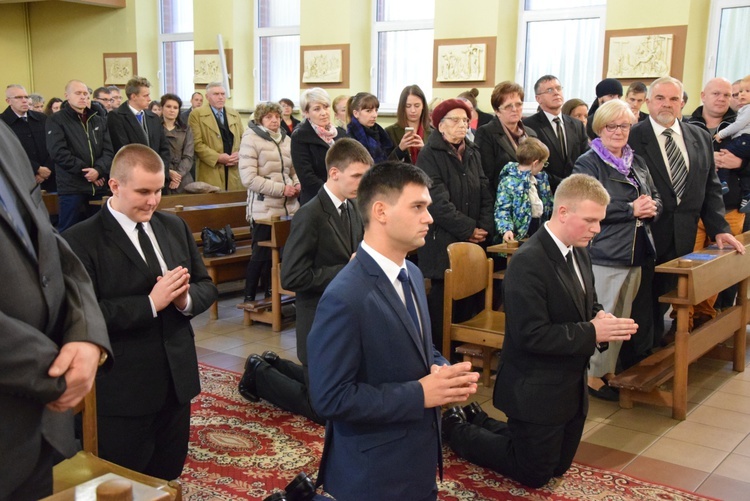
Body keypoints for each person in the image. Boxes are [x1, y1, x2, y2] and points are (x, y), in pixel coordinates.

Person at [443, 174, 638, 488]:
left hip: (568, 384)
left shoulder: (579, 250)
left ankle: (479, 419)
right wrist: (592, 332)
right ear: (563, 212)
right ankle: (455, 428)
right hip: (535, 386)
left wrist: (601, 317)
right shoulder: (528, 261)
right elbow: (531, 335)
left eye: (599, 221)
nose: (597, 229)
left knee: (556, 467)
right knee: (534, 473)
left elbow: (586, 302)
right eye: (590, 220)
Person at [307, 160, 480, 501]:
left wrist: (442, 372)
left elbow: (420, 347)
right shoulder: (345, 296)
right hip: (372, 474)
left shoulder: (412, 275)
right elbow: (330, 398)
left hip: (414, 458)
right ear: (381, 211)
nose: (429, 217)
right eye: (418, 207)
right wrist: (420, 394)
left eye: (427, 207)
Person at [62, 144, 218, 480]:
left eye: (159, 190)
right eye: (143, 191)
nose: (153, 200)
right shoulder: (80, 240)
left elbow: (206, 285)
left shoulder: (173, 227)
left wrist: (184, 301)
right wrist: (150, 303)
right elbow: (83, 316)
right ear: (115, 186)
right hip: (123, 390)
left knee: (167, 476)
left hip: (176, 382)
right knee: (123, 482)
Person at [0, 120, 111, 501]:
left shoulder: (4, 137)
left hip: (34, 433)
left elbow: (50, 243)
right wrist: (53, 371)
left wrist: (84, 332)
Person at [238, 138, 372, 425]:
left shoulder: (352, 208)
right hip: (317, 321)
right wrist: (345, 270)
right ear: (334, 173)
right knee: (323, 409)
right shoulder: (310, 215)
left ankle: (275, 364)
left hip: (344, 319)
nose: (363, 183)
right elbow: (292, 276)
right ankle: (259, 374)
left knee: (342, 390)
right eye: (357, 176)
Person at [627, 76, 744, 348]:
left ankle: (658, 353)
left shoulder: (699, 137)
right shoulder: (633, 137)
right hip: (645, 236)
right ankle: (640, 360)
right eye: (659, 98)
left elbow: (710, 188)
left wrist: (720, 230)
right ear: (648, 102)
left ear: (682, 103)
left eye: (673, 99)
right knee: (643, 304)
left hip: (684, 235)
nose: (666, 104)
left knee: (667, 298)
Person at [573, 99, 661, 392]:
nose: (619, 131)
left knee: (621, 320)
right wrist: (630, 210)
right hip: (605, 253)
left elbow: (655, 196)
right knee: (603, 316)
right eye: (612, 126)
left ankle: (607, 371)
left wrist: (653, 207)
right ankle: (590, 377)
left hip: (636, 251)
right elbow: (586, 206)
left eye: (625, 125)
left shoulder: (636, 160)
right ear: (600, 128)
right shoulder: (588, 162)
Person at [416, 98, 494, 351]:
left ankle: (462, 354)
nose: (462, 125)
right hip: (442, 239)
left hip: (474, 238)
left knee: (470, 300)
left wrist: (483, 226)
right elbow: (436, 201)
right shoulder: (430, 154)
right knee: (443, 305)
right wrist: (468, 229)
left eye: (465, 120)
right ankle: (438, 354)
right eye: (455, 120)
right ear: (440, 125)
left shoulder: (472, 151)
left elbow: (484, 189)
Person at [683, 77, 749, 324]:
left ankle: (705, 318)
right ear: (703, 95)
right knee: (691, 265)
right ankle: (685, 321)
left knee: (719, 270)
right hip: (694, 210)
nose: (722, 99)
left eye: (726, 94)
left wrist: (742, 163)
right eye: (716, 94)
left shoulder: (743, 125)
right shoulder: (687, 125)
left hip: (730, 206)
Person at [238, 102, 300, 303]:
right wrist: (281, 189)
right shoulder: (251, 139)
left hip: (288, 206)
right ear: (260, 120)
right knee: (261, 254)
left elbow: (292, 170)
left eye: (277, 116)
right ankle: (249, 296)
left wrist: (297, 184)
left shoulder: (286, 140)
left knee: (282, 254)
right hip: (263, 207)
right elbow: (249, 178)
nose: (274, 120)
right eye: (269, 117)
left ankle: (271, 293)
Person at [46, 80, 113, 232]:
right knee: (70, 230)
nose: (83, 97)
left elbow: (108, 151)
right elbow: (58, 152)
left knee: (99, 231)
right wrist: (88, 172)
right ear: (67, 96)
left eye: (85, 94)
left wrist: (98, 170)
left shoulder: (98, 119)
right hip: (72, 186)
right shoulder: (56, 120)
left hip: (98, 187)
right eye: (78, 93)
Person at [523, 75, 589, 191]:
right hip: (546, 191)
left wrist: (576, 181)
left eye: (558, 88)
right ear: (538, 99)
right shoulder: (529, 125)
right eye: (549, 90)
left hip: (577, 189)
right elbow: (532, 164)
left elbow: (585, 157)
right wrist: (563, 184)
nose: (556, 93)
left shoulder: (577, 125)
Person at [475, 81, 538, 194]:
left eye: (518, 104)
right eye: (508, 106)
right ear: (497, 111)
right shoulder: (486, 133)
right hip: (502, 201)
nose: (515, 109)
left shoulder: (531, 133)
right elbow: (486, 177)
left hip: (530, 199)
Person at [291, 87, 347, 205]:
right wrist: (333, 193)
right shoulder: (300, 136)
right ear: (306, 113)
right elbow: (306, 177)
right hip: (316, 200)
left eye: (326, 107)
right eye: (317, 109)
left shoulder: (340, 133)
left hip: (343, 198)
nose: (324, 113)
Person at [107, 77, 171, 180]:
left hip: (156, 174)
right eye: (145, 95)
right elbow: (125, 150)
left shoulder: (153, 117)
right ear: (133, 96)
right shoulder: (117, 116)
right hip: (133, 176)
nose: (149, 99)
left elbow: (164, 148)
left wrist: (161, 170)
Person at [494, 137, 552, 243]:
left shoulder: (542, 179)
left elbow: (549, 203)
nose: (543, 167)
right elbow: (502, 209)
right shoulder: (508, 182)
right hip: (518, 237)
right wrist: (506, 229)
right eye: (544, 163)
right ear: (535, 163)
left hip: (540, 230)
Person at [189, 82, 245, 191]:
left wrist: (240, 154)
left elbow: (244, 139)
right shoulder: (197, 114)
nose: (220, 97)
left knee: (233, 203)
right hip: (211, 168)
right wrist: (218, 157)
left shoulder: (234, 113)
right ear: (207, 97)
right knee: (213, 202)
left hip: (233, 168)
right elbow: (197, 144)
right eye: (216, 94)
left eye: (223, 94)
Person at [2, 84, 54, 190]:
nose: (24, 100)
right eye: (18, 97)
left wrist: (47, 168)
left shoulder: (42, 118)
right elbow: (7, 153)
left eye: (26, 97)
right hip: (20, 179)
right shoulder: (2, 123)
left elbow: (53, 144)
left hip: (50, 177)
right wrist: (36, 169)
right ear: (8, 101)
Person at [346, 92, 398, 163]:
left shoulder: (379, 132)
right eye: (368, 111)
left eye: (376, 110)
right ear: (356, 113)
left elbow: (388, 158)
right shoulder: (350, 137)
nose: (374, 115)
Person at [385, 84, 431, 165]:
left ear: (423, 106)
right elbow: (384, 166)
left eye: (417, 106)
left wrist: (424, 150)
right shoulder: (390, 132)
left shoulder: (432, 133)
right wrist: (400, 149)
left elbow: (439, 165)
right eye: (408, 106)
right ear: (402, 107)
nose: (413, 110)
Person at [160, 93, 195, 193]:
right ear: (162, 108)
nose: (172, 110)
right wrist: (168, 171)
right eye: (168, 106)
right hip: (163, 176)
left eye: (175, 107)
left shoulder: (186, 129)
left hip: (183, 177)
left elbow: (188, 156)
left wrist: (177, 176)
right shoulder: (155, 128)